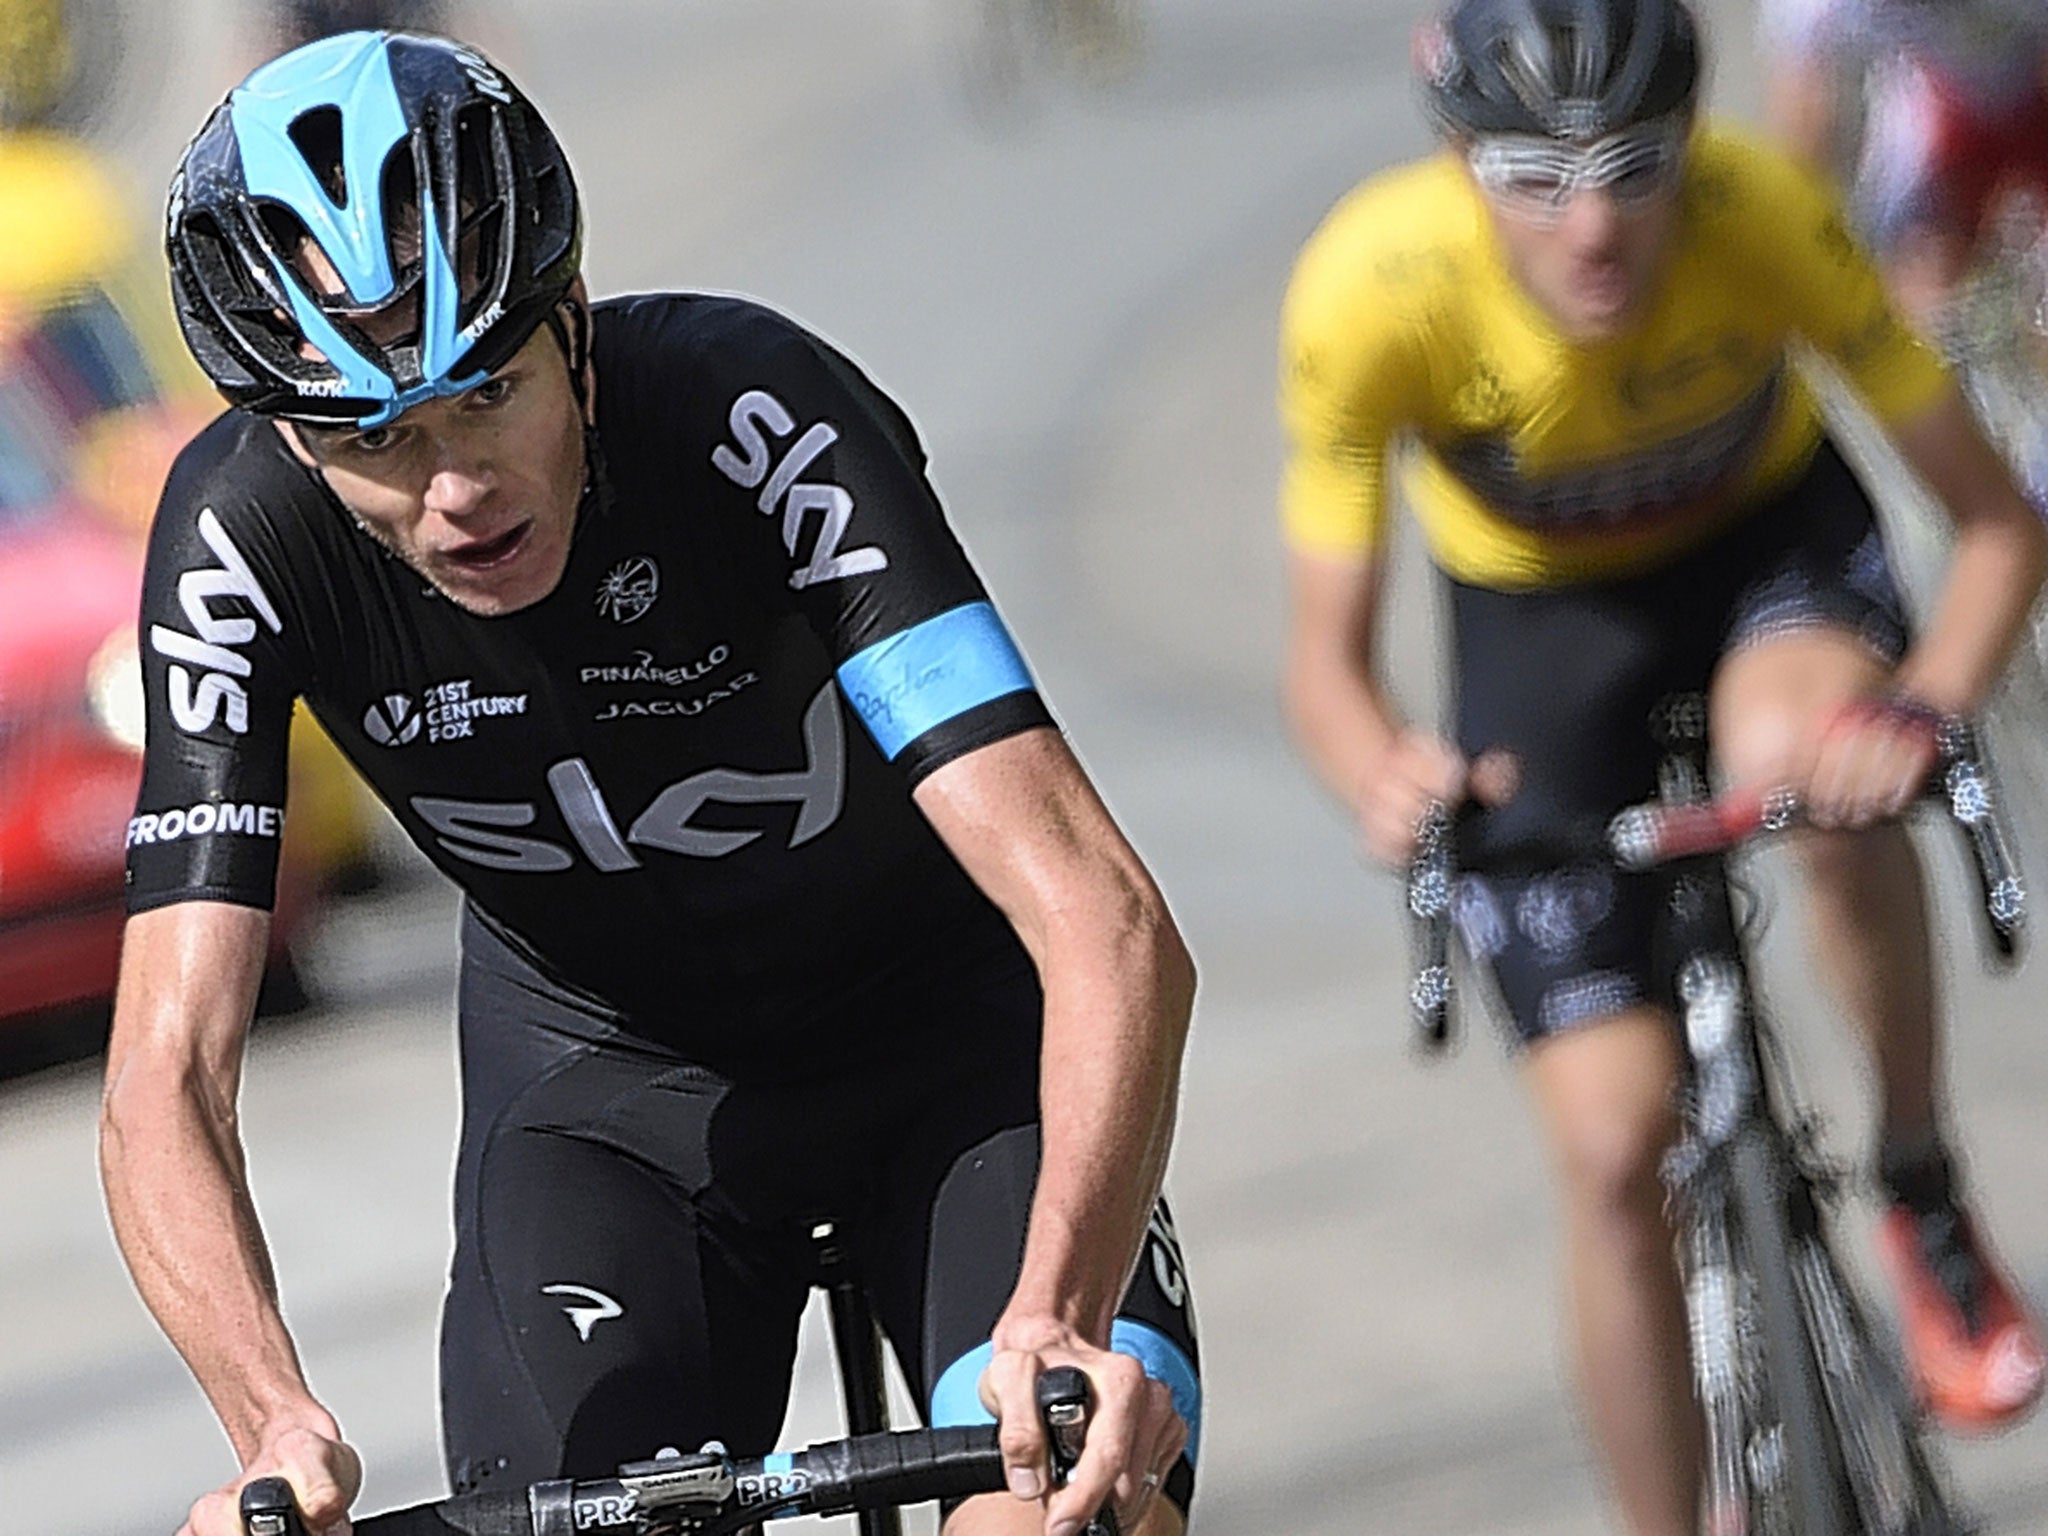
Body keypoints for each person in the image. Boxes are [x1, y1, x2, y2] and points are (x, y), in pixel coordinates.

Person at [99, 30, 1198, 1536]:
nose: (455, 490)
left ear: (574, 331)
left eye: (489, 395)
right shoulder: (237, 542)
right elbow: (165, 1071)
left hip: (953, 1053)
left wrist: (1061, 1309)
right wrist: (269, 1420)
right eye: (378, 441)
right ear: (289, 435)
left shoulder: (755, 414)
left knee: (1060, 1507)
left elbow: (1103, 914)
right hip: (606, 1094)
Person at [1278, 0, 2045, 1530]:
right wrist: (1385, 773)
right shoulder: (1373, 289)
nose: (1592, 224)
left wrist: (1926, 703)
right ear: (1456, 162)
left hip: (1769, 566)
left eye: (1634, 166)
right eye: (1532, 176)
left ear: (1693, 149)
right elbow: (1328, 662)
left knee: (1807, 766)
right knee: (1616, 1149)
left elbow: (1997, 523)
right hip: (1542, 625)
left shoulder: (1760, 214)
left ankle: (1914, 1174)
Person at [1762, 0, 2048, 502]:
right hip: (1946, 113)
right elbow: (1803, 159)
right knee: (1919, 307)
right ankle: (1981, 497)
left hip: (2029, 80)